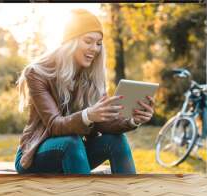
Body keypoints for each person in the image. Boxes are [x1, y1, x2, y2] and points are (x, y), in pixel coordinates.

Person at [15, 9, 155, 174]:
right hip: (35, 155)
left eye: (98, 43)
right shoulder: (37, 73)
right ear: (70, 42)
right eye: (88, 41)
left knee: (117, 141)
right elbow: (54, 125)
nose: (94, 49)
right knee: (71, 141)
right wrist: (88, 115)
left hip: (75, 153)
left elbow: (103, 123)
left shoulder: (92, 76)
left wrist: (132, 120)